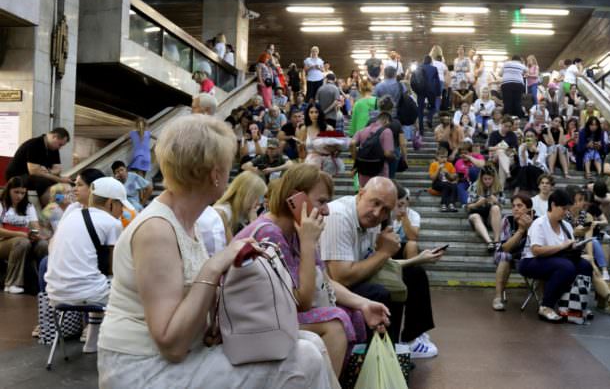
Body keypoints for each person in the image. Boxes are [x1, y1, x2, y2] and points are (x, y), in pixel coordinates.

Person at [98, 115, 334, 388]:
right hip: (143, 370)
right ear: (215, 175)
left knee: (311, 342)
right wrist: (214, 266)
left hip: (178, 357)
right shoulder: (157, 231)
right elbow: (170, 344)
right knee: (304, 358)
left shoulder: (185, 221)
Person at [235, 164, 390, 377]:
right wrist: (308, 243)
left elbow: (325, 281)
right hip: (253, 324)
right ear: (294, 199)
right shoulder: (269, 234)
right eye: (322, 201)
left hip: (276, 316)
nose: (326, 210)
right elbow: (301, 302)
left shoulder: (296, 231)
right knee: (336, 321)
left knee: (354, 313)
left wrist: (363, 304)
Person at [319, 177, 445, 358]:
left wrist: (417, 259)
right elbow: (341, 277)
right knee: (380, 292)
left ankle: (410, 338)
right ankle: (382, 354)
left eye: (385, 209)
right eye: (375, 203)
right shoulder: (339, 217)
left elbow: (379, 263)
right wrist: (384, 253)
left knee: (414, 274)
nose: (377, 213)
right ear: (361, 194)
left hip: (355, 272)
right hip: (333, 286)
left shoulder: (375, 220)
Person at [44, 177, 126, 353]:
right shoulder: (112, 223)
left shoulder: (71, 215)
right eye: (121, 205)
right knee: (123, 285)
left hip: (54, 294)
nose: (122, 210)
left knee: (100, 281)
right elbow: (115, 267)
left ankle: (91, 342)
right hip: (86, 293)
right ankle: (123, 346)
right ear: (111, 203)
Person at [518, 189, 592, 322]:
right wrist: (562, 246)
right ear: (553, 205)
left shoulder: (566, 226)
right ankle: (546, 306)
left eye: (567, 209)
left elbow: (566, 248)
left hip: (556, 260)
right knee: (566, 267)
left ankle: (575, 305)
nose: (566, 212)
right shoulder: (539, 223)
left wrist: (574, 246)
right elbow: (536, 250)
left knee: (585, 266)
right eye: (563, 208)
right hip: (531, 261)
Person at [0, 176, 49, 294]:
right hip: (3, 242)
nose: (19, 196)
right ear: (9, 190)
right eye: (16, 192)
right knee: (22, 242)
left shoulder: (28, 206)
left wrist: (36, 234)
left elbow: (35, 226)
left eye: (22, 193)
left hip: (24, 240)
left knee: (43, 244)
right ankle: (11, 283)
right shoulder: (2, 204)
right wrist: (21, 234)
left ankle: (45, 284)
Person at [5, 128, 71, 205]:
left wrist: (48, 171)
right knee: (42, 182)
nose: (60, 148)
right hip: (17, 176)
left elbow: (58, 168)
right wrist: (59, 179)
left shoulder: (53, 148)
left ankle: (60, 205)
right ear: (54, 137)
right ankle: (49, 210)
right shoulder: (35, 144)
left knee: (63, 183)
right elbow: (34, 171)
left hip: (32, 176)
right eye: (60, 144)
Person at [493, 194, 534, 310]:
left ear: (529, 209)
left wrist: (530, 228)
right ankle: (498, 297)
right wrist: (521, 231)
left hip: (529, 256)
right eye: (513, 206)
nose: (515, 208)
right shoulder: (508, 220)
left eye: (519, 205)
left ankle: (544, 300)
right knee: (504, 256)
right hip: (509, 254)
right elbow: (505, 247)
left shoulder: (538, 221)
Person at [352, 111, 395, 188]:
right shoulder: (386, 131)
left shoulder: (362, 131)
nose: (389, 126)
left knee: (365, 194)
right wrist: (394, 157)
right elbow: (387, 153)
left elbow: (352, 144)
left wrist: (356, 160)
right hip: (380, 172)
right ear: (386, 121)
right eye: (389, 124)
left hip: (363, 171)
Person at [467, 167, 505, 252]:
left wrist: (496, 201)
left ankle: (496, 240)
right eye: (485, 179)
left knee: (496, 208)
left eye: (489, 179)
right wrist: (478, 203)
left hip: (490, 216)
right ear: (481, 178)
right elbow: (468, 207)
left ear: (493, 178)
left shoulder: (498, 186)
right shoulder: (475, 186)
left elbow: (501, 207)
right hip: (476, 215)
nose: (487, 181)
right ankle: (489, 242)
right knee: (475, 216)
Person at [487, 117, 519, 185]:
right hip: (495, 157)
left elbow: (515, 150)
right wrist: (501, 147)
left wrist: (507, 150)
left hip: (509, 157)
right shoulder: (494, 134)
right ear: (501, 124)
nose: (507, 128)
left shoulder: (512, 135)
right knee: (500, 151)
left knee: (502, 162)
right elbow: (489, 148)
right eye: (506, 126)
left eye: (509, 126)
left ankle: (501, 189)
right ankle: (508, 173)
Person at [415, 55, 441, 134]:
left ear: (424, 60)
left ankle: (421, 129)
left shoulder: (418, 67)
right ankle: (429, 118)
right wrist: (438, 93)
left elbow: (415, 79)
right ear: (430, 61)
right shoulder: (434, 69)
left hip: (421, 90)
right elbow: (437, 81)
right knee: (432, 107)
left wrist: (416, 90)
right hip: (431, 90)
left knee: (420, 109)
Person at [429, 148, 459, 213]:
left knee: (454, 185)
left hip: (447, 183)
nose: (444, 159)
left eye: (445, 157)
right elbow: (432, 178)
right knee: (446, 185)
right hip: (437, 184)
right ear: (437, 157)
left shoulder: (450, 164)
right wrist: (438, 169)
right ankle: (443, 204)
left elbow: (453, 177)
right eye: (442, 157)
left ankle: (451, 204)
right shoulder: (433, 164)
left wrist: (447, 173)